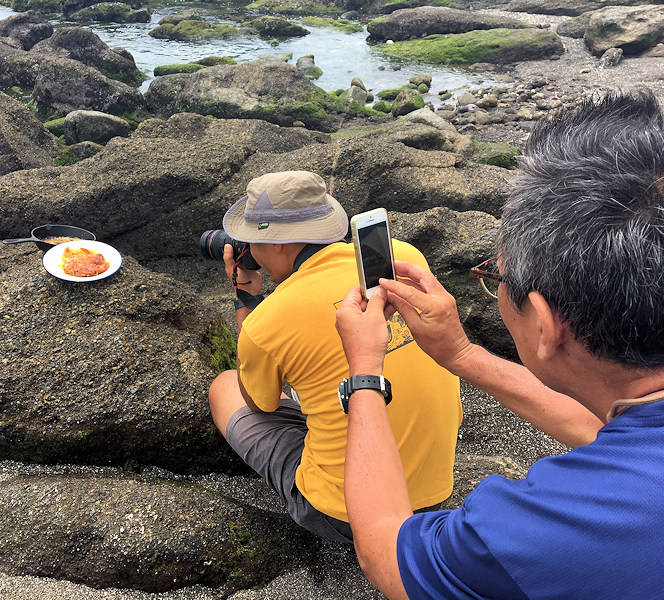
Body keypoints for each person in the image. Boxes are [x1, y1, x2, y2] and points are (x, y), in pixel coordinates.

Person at [335, 89, 664, 598]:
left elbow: (386, 550)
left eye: (497, 276)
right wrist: (460, 354)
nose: (495, 288)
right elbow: (615, 438)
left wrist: (363, 370)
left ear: (548, 323)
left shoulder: (542, 534)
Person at [208, 170, 462, 543]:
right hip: (435, 494)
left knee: (225, 386)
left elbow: (257, 403)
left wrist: (247, 300)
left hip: (346, 515)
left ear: (278, 244)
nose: (249, 253)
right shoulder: (400, 258)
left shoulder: (269, 319)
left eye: (250, 242)